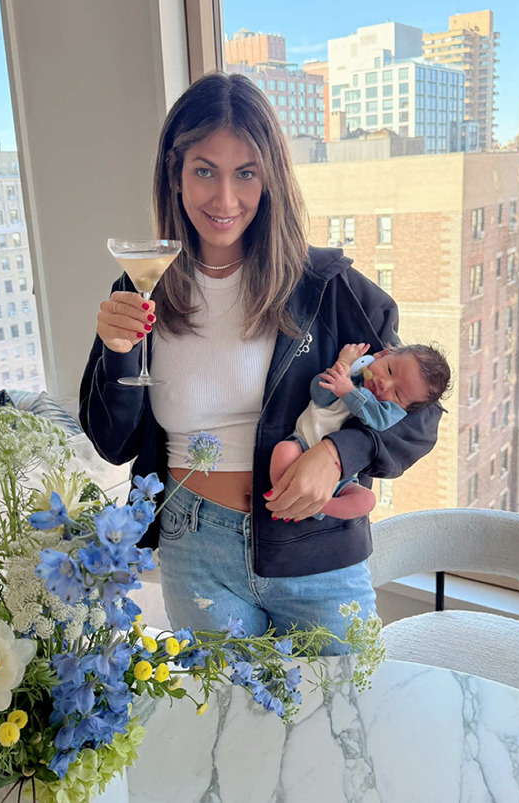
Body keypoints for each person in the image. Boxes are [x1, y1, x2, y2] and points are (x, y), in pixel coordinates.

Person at [79, 71, 443, 654]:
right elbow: (113, 441)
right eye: (204, 171)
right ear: (175, 174)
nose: (225, 200)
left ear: (269, 177)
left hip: (317, 547)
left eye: (245, 173)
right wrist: (119, 355)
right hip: (192, 545)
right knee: (228, 738)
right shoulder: (142, 286)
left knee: (341, 730)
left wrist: (338, 452)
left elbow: (420, 416)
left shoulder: (328, 287)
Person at [269, 341, 452, 522]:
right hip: (302, 444)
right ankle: (286, 496)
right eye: (389, 370)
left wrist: (348, 392)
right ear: (382, 355)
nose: (384, 384)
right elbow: (319, 393)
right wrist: (344, 364)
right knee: (284, 451)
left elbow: (377, 420)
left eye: (397, 394)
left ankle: (320, 505)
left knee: (366, 501)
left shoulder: (385, 411)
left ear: (404, 409)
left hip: (342, 478)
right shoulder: (352, 377)